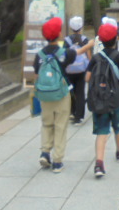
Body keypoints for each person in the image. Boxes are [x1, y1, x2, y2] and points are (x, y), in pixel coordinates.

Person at [34, 17, 88, 173]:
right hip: (61, 93)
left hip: (45, 95)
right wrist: (90, 44)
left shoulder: (39, 55)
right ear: (58, 35)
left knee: (46, 123)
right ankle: (57, 161)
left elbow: (37, 75)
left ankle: (45, 152)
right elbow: (77, 52)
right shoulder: (63, 53)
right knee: (60, 126)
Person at [86, 23, 119, 178]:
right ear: (116, 38)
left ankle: (99, 163)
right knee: (118, 126)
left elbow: (87, 77)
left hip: (100, 99)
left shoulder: (96, 57)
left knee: (102, 131)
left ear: (100, 40)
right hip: (117, 97)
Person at [63, 16, 91, 125]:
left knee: (71, 91)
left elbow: (64, 55)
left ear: (71, 27)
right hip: (81, 70)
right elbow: (88, 54)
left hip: (69, 70)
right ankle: (79, 116)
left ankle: (72, 112)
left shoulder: (66, 40)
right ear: (81, 26)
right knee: (80, 92)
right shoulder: (85, 39)